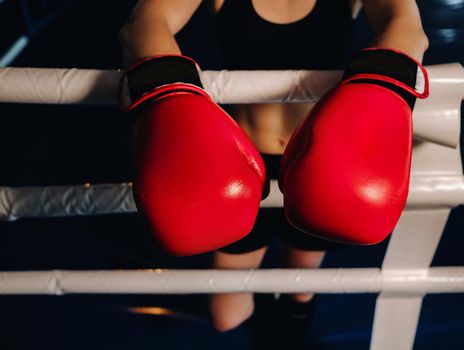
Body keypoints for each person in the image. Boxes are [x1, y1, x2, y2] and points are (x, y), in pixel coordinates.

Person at [118, 0, 429, 340]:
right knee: (227, 313)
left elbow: (407, 25)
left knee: (299, 289)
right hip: (236, 165)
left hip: (326, 161)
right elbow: (145, 22)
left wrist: (382, 84)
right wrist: (169, 91)